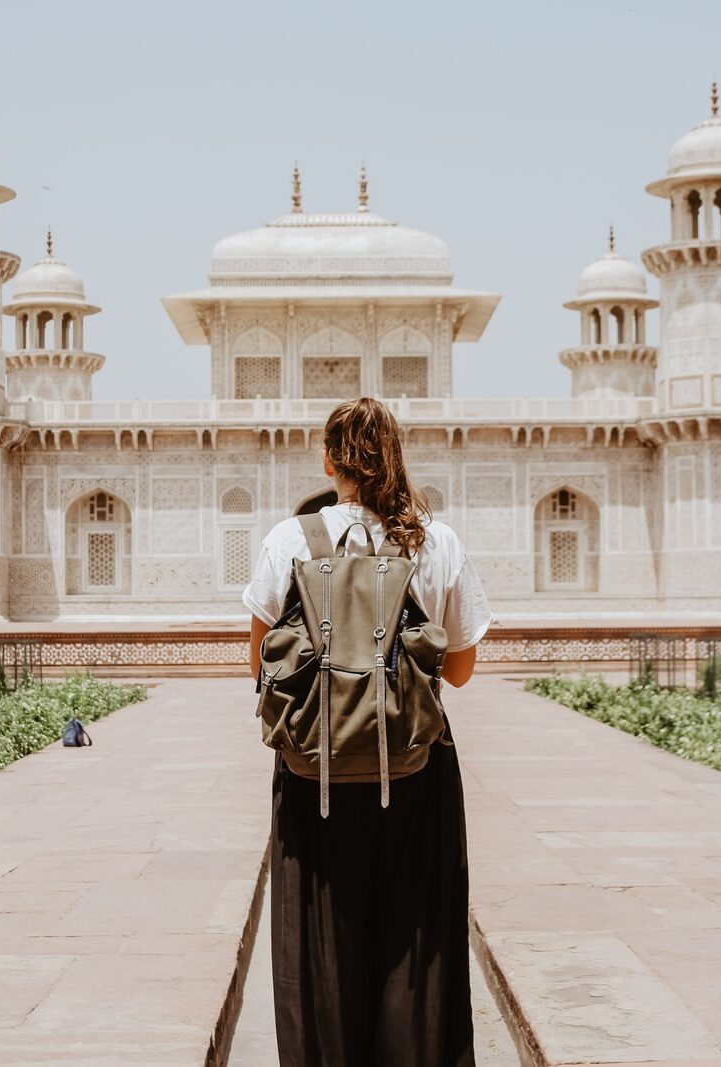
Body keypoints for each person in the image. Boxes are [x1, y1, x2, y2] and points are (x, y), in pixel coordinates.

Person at [243, 397, 492, 1066]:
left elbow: (260, 665)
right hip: (415, 771)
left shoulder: (288, 540)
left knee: (320, 950)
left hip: (313, 776)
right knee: (415, 948)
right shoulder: (435, 542)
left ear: (328, 460)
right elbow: (461, 670)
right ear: (396, 457)